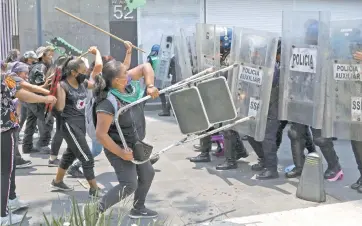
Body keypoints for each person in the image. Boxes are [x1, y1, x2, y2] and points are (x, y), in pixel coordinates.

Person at [93, 58, 160, 219]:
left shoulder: (126, 86)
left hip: (135, 143)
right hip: (117, 147)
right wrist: (121, 153)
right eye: (125, 73)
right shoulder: (107, 103)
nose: (129, 75)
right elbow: (101, 135)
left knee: (147, 173)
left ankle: (138, 208)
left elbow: (146, 66)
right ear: (116, 80)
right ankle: (94, 211)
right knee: (129, 184)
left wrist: (150, 85)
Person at [286, 20, 343, 180]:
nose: (309, 38)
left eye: (312, 35)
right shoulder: (300, 51)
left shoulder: (330, 54)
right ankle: (299, 166)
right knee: (295, 133)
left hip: (320, 102)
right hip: (302, 98)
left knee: (320, 138)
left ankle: (335, 166)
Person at [1, 72, 57, 225]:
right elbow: (22, 94)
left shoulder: (6, 78)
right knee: (5, 171)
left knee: (9, 169)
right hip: (3, 130)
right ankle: (2, 216)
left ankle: (11, 200)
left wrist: (46, 91)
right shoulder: (3, 79)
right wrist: (46, 98)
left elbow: (24, 87)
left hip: (6, 128)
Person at [188, 27, 248, 166]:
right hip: (218, 94)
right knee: (207, 123)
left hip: (230, 96)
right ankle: (209, 153)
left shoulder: (233, 57)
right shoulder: (221, 55)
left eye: (219, 42)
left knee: (229, 129)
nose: (217, 45)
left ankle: (231, 159)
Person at [50, 47, 103, 198]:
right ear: (73, 72)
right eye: (83, 71)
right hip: (69, 125)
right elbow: (60, 108)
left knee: (70, 154)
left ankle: (58, 181)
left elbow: (97, 81)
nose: (85, 74)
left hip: (80, 124)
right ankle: (94, 189)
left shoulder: (83, 83)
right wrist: (56, 96)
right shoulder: (63, 86)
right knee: (86, 157)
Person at [22, 46, 54, 154]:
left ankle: (27, 146)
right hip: (38, 99)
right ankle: (43, 144)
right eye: (49, 54)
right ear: (42, 56)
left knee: (31, 123)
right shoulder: (41, 67)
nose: (51, 56)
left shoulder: (36, 66)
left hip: (31, 99)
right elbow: (39, 85)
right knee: (48, 121)